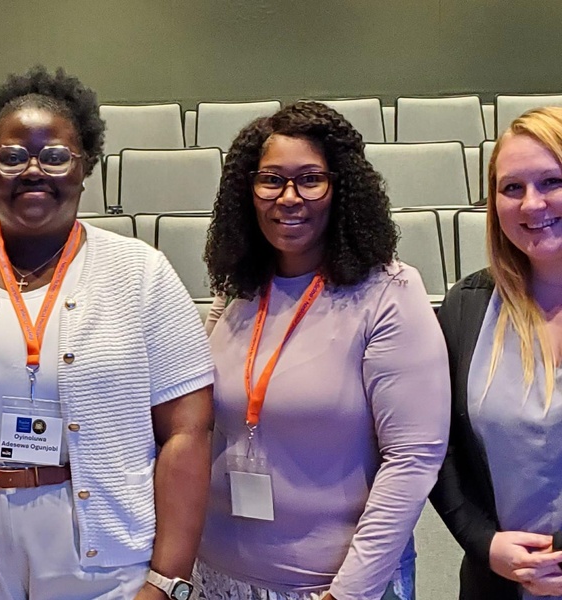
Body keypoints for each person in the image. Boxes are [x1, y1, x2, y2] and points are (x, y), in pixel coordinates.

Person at [0, 66, 214, 600]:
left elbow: (188, 432)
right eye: (11, 155)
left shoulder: (141, 273)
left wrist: (166, 582)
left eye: (54, 156)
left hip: (104, 553)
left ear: (85, 166)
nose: (32, 170)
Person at [197, 102, 450, 600]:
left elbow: (413, 458)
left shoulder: (388, 292)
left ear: (341, 188)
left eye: (310, 179)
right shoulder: (235, 291)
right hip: (219, 576)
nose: (289, 198)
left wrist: (349, 592)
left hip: (331, 586)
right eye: (271, 179)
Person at [430, 106, 562, 600]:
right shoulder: (466, 308)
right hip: (498, 585)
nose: (532, 204)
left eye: (552, 181)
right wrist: (483, 543)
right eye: (512, 188)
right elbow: (435, 449)